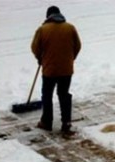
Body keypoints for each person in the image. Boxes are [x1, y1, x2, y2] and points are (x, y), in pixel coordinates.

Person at [31, 6, 81, 136]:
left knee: (47, 95)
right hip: (66, 70)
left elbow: (35, 48)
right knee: (64, 94)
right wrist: (70, 58)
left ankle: (46, 122)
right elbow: (78, 46)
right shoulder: (70, 28)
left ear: (48, 16)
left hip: (49, 70)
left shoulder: (42, 30)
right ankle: (66, 123)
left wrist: (40, 58)